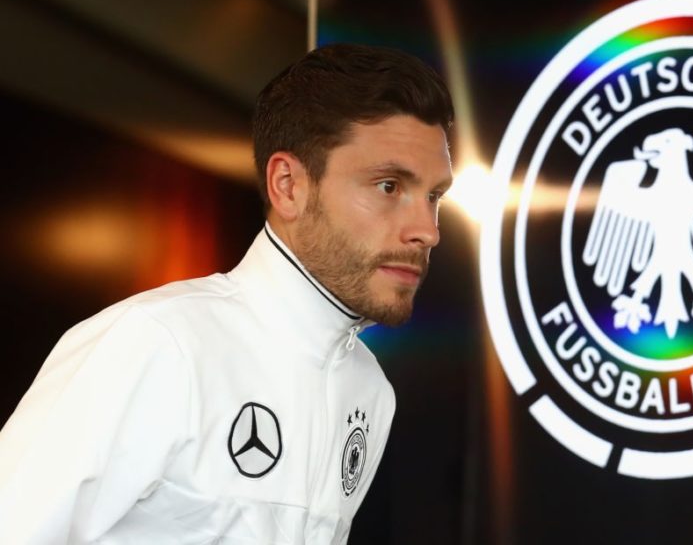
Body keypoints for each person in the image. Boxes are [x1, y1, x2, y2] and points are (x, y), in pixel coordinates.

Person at [0, 43, 454, 544]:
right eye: (389, 186)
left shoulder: (369, 391)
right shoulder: (158, 343)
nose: (427, 230)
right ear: (288, 185)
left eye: (434, 196)